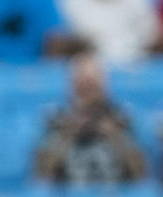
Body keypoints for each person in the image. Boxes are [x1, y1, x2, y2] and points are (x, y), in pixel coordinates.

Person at [35, 54, 146, 184]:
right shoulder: (56, 120)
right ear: (71, 85)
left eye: (94, 82)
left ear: (105, 85)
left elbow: (141, 174)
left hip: (117, 196)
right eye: (82, 82)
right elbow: (41, 174)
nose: (88, 87)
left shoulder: (122, 118)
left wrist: (114, 135)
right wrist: (67, 134)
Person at [57, 0, 161, 65]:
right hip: (92, 64)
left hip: (138, 64)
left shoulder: (137, 3)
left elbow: (151, 37)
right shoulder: (73, 4)